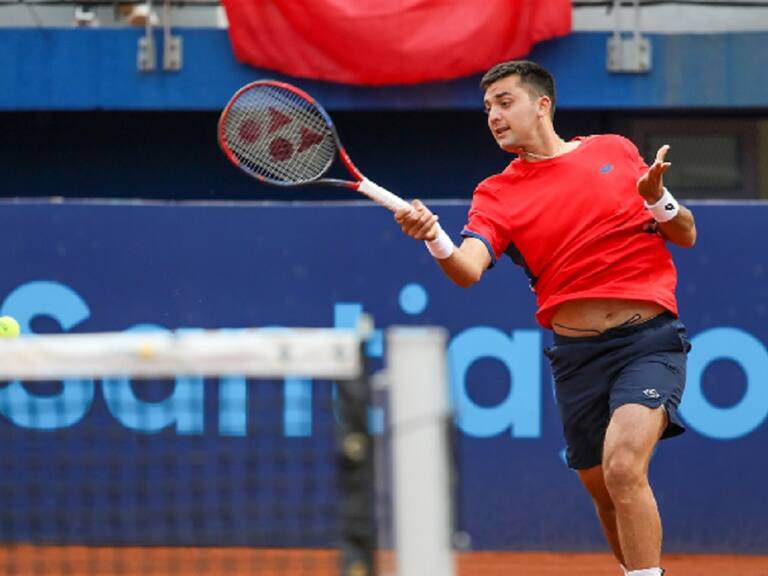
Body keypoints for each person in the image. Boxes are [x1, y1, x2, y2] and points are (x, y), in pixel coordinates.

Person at [395, 60, 696, 576]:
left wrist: (658, 200)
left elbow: (685, 233)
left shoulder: (614, 151)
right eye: (487, 108)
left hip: (647, 342)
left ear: (542, 105)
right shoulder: (496, 193)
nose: (493, 116)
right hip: (577, 357)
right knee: (604, 492)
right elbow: (467, 270)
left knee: (624, 467)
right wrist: (434, 238)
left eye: (504, 102)